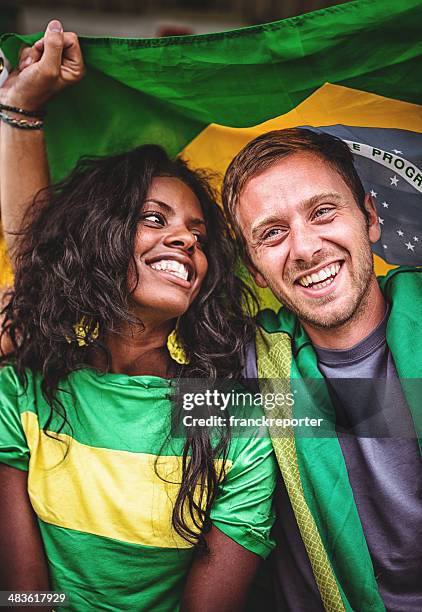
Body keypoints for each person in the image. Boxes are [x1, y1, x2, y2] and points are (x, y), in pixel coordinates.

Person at [0, 22, 277, 612]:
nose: (184, 239)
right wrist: (21, 108)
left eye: (199, 236)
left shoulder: (231, 410)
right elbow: (23, 595)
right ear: (96, 238)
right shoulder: (26, 382)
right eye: (154, 218)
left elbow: (375, 410)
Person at [222, 128, 422, 611]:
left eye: (322, 212)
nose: (306, 249)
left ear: (370, 217)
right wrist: (21, 115)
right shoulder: (247, 367)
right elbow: (70, 289)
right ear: (253, 267)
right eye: (272, 233)